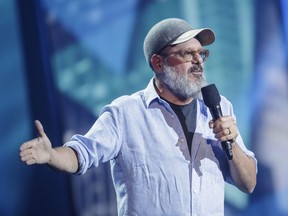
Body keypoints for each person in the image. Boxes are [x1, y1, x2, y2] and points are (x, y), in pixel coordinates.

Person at [19, 18, 257, 215]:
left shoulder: (218, 107)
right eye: (187, 54)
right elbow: (81, 154)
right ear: (158, 62)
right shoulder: (126, 113)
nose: (198, 62)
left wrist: (232, 143)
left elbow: (248, 183)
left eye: (201, 54)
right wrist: (51, 155)